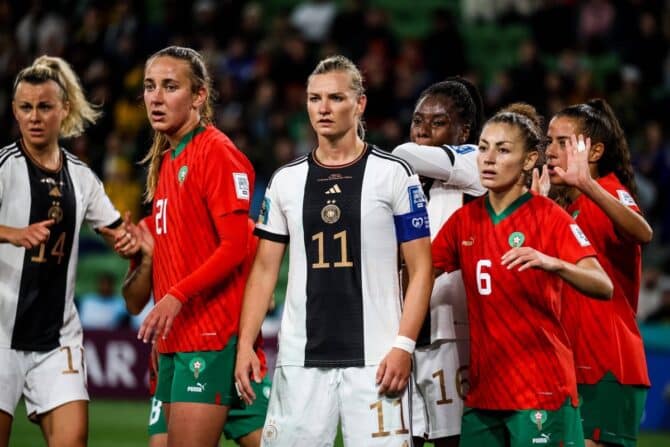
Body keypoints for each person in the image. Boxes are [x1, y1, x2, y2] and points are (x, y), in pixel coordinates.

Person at [234, 54, 433, 447]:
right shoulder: (286, 181)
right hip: (300, 358)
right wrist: (245, 344)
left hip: (377, 360)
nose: (323, 108)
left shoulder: (394, 174)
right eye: (314, 98)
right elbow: (263, 272)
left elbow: (421, 269)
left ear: (360, 104)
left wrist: (404, 346)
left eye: (336, 98)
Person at [431, 103, 614, 447]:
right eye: (483, 148)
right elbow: (419, 272)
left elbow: (603, 285)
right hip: (484, 396)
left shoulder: (549, 216)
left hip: (541, 390)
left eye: (502, 150)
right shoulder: (463, 221)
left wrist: (554, 263)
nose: (488, 159)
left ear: (529, 160)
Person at [0, 55, 132, 447]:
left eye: (44, 107)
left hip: (57, 340)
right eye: (26, 108)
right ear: (15, 111)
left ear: (64, 109)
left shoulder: (82, 178)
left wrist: (132, 240)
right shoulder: (4, 168)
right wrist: (11, 233)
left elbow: (118, 235)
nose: (35, 117)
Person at [134, 45, 255, 446]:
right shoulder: (168, 161)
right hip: (176, 339)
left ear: (199, 96)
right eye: (150, 86)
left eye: (170, 86)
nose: (156, 97)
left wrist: (174, 297)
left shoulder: (217, 154)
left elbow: (236, 246)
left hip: (208, 336)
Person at [544, 99, 652, 447]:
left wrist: (589, 185)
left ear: (594, 151)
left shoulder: (608, 190)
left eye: (563, 142)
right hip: (570, 362)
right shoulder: (565, 206)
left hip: (608, 363)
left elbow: (643, 233)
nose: (551, 151)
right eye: (549, 141)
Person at [391, 77, 486, 447]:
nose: (423, 130)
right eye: (418, 120)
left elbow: (405, 151)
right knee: (406, 437)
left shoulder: (472, 163)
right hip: (408, 331)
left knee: (453, 440)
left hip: (453, 332)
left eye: (437, 121)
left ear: (463, 129)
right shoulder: (408, 184)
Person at [122, 218, 270, 447]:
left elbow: (267, 299)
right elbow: (133, 304)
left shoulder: (243, 229)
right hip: (176, 362)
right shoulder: (153, 227)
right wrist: (148, 260)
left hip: (232, 360)